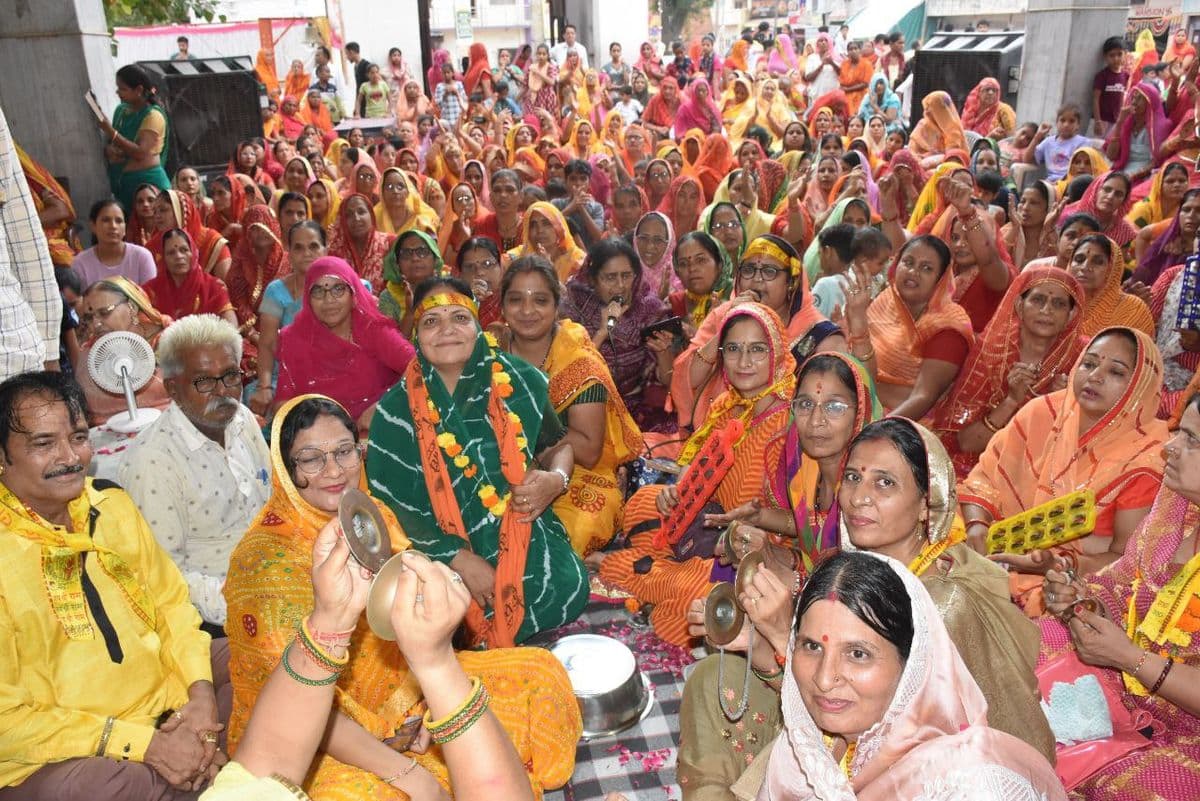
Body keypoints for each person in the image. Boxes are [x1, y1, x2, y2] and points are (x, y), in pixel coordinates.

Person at [224, 394, 580, 799]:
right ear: (285, 470)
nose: (333, 470)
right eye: (310, 458)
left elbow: (412, 631)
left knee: (541, 675)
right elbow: (298, 707)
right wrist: (407, 771)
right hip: (315, 737)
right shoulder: (262, 563)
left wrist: (429, 700)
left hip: (407, 686)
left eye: (344, 451)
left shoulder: (373, 516)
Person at [0, 371, 232, 801]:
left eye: (79, 436)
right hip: (73, 752)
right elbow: (7, 721)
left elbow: (173, 607)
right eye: (44, 444)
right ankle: (203, 769)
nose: (70, 457)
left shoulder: (112, 506)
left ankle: (199, 760)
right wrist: (143, 745)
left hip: (169, 707)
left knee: (255, 656)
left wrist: (201, 703)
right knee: (111, 786)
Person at [367, 277, 589, 646]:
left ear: (478, 325)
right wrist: (459, 559)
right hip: (437, 549)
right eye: (431, 321)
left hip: (520, 531)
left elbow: (557, 445)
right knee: (441, 615)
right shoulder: (394, 413)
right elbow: (393, 509)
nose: (447, 331)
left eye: (459, 317)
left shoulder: (521, 381)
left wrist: (556, 480)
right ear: (416, 335)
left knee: (563, 588)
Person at [750, 550, 1065, 800]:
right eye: (811, 646)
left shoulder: (974, 784)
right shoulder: (803, 756)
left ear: (913, 660)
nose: (823, 678)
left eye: (857, 654)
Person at [597, 302, 797, 646]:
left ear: (778, 352)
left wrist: (742, 533)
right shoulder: (726, 406)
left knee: (694, 600)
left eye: (757, 349)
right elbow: (698, 476)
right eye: (733, 349)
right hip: (705, 524)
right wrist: (676, 493)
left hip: (754, 550)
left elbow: (797, 521)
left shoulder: (792, 422)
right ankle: (657, 569)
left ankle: (645, 572)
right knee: (644, 502)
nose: (744, 361)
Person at [1040, 391, 1200, 799]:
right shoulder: (1176, 510)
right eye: (1179, 432)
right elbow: (1120, 587)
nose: (1170, 448)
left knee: (1155, 788)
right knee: (1031, 639)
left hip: (1190, 731)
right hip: (1128, 675)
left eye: (1192, 442)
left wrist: (1130, 658)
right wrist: (1080, 602)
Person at [960, 327, 1167, 614]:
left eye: (1116, 372)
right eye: (1089, 363)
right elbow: (980, 482)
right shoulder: (1042, 412)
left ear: (1140, 387)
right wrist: (977, 529)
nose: (1094, 376)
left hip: (1067, 583)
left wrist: (1058, 565)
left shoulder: (1145, 459)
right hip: (996, 550)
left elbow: (1124, 561)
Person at [118, 315, 269, 631]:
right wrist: (249, 600)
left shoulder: (242, 420)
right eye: (203, 381)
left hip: (273, 573)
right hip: (212, 612)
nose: (223, 391)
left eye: (230, 376)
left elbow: (272, 503)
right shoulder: (152, 462)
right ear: (173, 388)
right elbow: (163, 574)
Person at [501, 256, 644, 556]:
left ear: (556, 306)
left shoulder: (579, 363)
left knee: (555, 541)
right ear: (502, 306)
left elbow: (590, 451)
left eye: (540, 300)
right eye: (516, 300)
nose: (527, 310)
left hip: (579, 476)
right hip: (501, 465)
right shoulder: (492, 350)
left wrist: (521, 426)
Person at [929, 266, 1086, 479]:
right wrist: (1011, 401)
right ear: (1020, 306)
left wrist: (1068, 403)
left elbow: (1088, 438)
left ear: (1070, 315)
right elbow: (965, 443)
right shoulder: (992, 353)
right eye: (1038, 300)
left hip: (1046, 472)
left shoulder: (1083, 360)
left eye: (1058, 304)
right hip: (979, 464)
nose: (1047, 310)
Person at [274, 257, 414, 430]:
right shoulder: (294, 339)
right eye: (318, 291)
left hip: (380, 429)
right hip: (322, 438)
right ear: (307, 300)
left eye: (338, 289)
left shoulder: (373, 329)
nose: (329, 299)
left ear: (353, 295)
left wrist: (384, 407)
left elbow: (418, 367)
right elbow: (282, 404)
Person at [844, 235, 973, 418]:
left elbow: (923, 397)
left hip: (910, 424)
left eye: (926, 268)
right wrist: (856, 317)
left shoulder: (947, 328)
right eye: (908, 262)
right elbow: (860, 369)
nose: (913, 272)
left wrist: (876, 433)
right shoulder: (886, 300)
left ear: (940, 279)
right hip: (866, 405)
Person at [561, 237, 674, 432]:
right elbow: (570, 374)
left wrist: (663, 351)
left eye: (626, 275)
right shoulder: (574, 305)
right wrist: (603, 332)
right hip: (583, 407)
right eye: (610, 277)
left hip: (633, 408)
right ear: (593, 279)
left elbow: (667, 380)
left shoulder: (650, 309)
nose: (620, 285)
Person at [248, 220, 327, 416]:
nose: (307, 253)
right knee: (265, 406)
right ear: (289, 253)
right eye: (298, 248)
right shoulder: (277, 290)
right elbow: (267, 343)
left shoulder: (338, 288)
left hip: (330, 374)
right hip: (285, 375)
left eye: (314, 246)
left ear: (326, 250)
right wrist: (264, 387)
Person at [74, 276, 172, 425]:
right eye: (89, 317)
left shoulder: (173, 342)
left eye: (105, 312)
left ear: (132, 306)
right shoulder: (91, 354)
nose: (96, 323)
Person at [98, 65, 172, 209]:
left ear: (138, 90)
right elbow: (114, 143)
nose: (117, 92)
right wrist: (110, 150)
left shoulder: (153, 115)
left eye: (123, 89)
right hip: (123, 183)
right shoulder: (121, 110)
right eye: (118, 87)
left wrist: (110, 131)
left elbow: (140, 152)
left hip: (148, 185)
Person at [142, 228, 237, 328]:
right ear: (163, 259)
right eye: (171, 252)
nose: (178, 256)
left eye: (184, 250)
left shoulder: (214, 287)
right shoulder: (151, 291)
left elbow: (231, 327)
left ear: (194, 253)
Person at [1067, 233, 1154, 337]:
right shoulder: (1056, 301)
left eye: (1098, 262)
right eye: (1079, 260)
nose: (1085, 267)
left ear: (1113, 269)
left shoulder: (1133, 310)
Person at [146, 190, 232, 279]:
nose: (157, 216)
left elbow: (226, 287)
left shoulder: (212, 242)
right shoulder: (153, 246)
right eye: (155, 211)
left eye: (163, 210)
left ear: (180, 211)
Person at [71, 199, 157, 286]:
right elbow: (78, 298)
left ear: (125, 228)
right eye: (106, 220)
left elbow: (151, 295)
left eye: (119, 221)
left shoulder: (142, 257)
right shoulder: (80, 263)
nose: (113, 226)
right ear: (93, 226)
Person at [328, 193, 394, 292]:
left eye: (361, 212)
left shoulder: (389, 243)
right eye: (349, 215)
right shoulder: (335, 251)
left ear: (371, 215)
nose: (356, 218)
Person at [1022, 103, 1089, 183]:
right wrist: (1037, 136)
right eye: (1062, 120)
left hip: (1071, 182)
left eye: (1071, 121)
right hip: (1050, 183)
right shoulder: (1048, 142)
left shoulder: (1083, 143)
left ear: (1078, 125)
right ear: (1057, 123)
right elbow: (1026, 159)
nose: (1066, 125)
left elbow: (1082, 169)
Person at [1093, 37, 1130, 137]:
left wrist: (1121, 118)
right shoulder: (1102, 76)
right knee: (1097, 148)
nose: (1116, 58)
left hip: (1116, 120)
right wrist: (1097, 121)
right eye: (1112, 55)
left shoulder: (1126, 76)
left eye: (1119, 54)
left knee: (1110, 147)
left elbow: (1122, 97)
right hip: (1102, 120)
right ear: (1105, 57)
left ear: (1125, 54)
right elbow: (1096, 99)